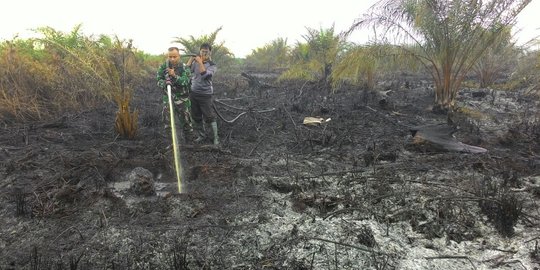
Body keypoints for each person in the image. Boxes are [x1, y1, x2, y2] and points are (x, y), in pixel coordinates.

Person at [156, 47, 193, 140]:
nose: (172, 59)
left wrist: (174, 76)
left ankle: (189, 141)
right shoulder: (163, 66)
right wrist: (164, 83)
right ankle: (171, 142)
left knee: (186, 120)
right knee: (167, 121)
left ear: (179, 56)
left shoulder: (184, 67)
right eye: (170, 56)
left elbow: (186, 81)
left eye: (174, 56)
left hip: (182, 99)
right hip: (168, 98)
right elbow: (158, 79)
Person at [187, 43, 219, 145]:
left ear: (210, 52)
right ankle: (202, 135)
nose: (204, 53)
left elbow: (204, 75)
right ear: (199, 51)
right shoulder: (196, 62)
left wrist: (200, 62)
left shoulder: (212, 65)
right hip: (193, 93)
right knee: (195, 116)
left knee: (209, 117)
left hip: (205, 95)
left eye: (206, 51)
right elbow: (186, 72)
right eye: (202, 51)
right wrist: (190, 61)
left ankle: (216, 138)